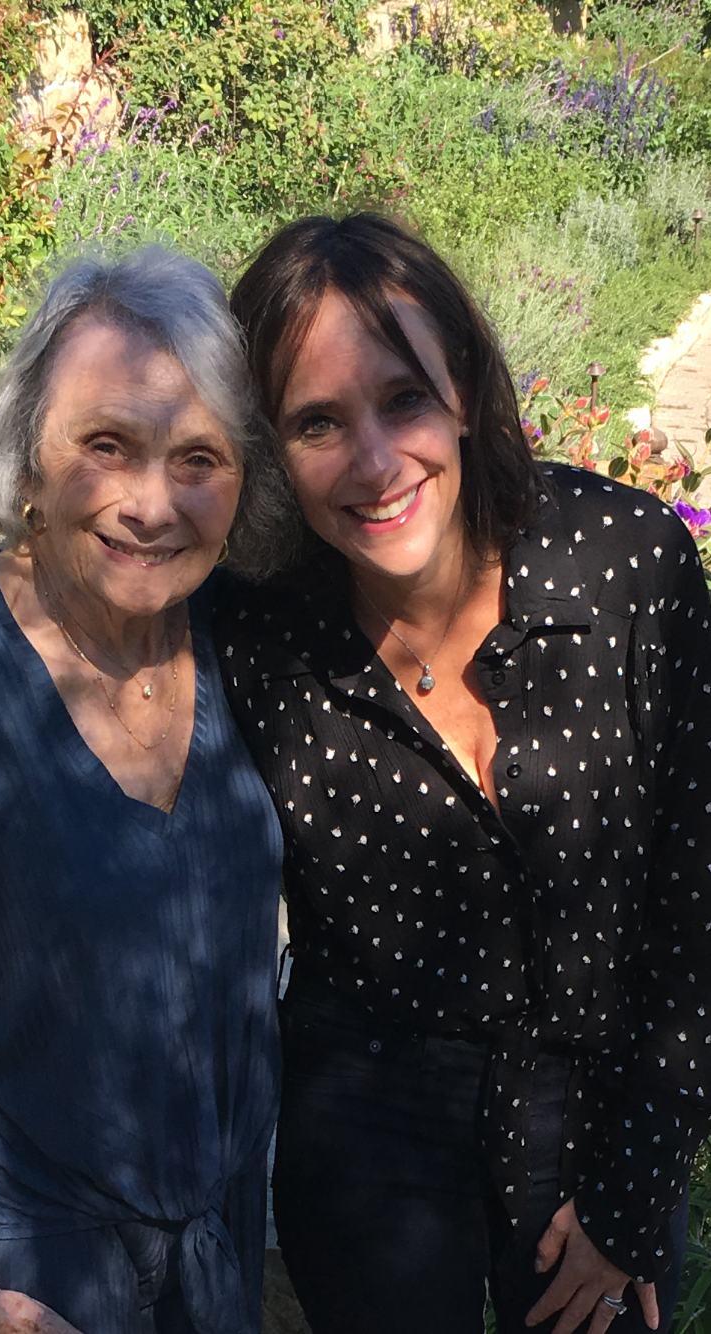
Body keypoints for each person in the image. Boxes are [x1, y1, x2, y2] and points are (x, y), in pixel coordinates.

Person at [209, 212, 711, 1334]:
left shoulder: (627, 563)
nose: (376, 462)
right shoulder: (255, 624)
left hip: (604, 1093)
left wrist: (635, 1191)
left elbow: (699, 894)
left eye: (405, 399)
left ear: (469, 392)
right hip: (367, 1111)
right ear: (271, 450)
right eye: (317, 421)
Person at [0, 246, 287, 1334]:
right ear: (27, 459)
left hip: (216, 1254)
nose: (153, 504)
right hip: (26, 1274)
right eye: (106, 444)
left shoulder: (238, 639)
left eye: (199, 457)